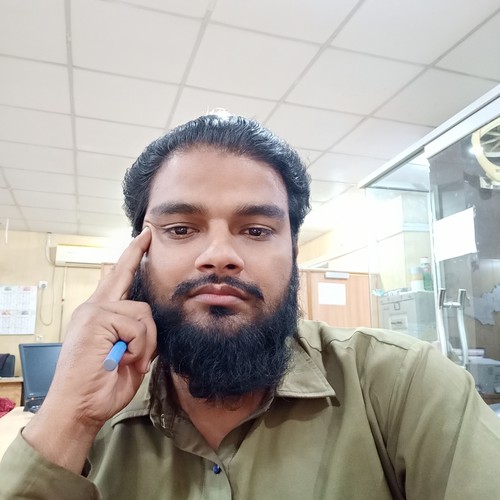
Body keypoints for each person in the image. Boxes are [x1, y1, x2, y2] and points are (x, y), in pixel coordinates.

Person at [1, 113, 499, 500]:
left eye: (256, 230)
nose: (219, 255)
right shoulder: (88, 419)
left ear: (293, 252)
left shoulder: (405, 385)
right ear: (138, 255)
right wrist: (68, 420)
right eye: (181, 229)